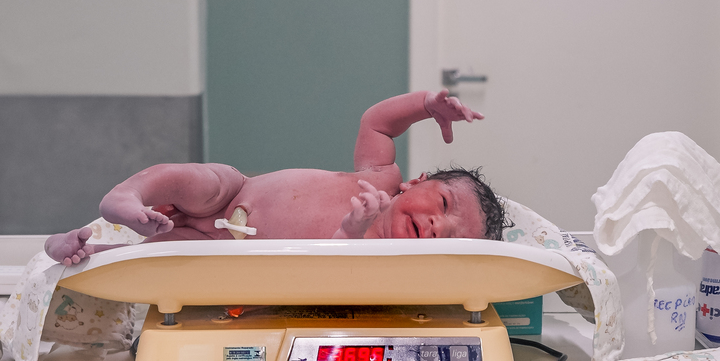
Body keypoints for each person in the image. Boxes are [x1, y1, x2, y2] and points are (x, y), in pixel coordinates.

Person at [47, 89, 507, 266]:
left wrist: (352, 231)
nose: (437, 226)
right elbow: (377, 123)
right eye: (443, 205)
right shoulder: (383, 176)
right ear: (416, 183)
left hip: (223, 250)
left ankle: (82, 252)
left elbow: (330, 269)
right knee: (194, 180)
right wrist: (425, 105)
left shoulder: (381, 259)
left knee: (156, 259)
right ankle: (127, 195)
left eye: (452, 238)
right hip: (234, 192)